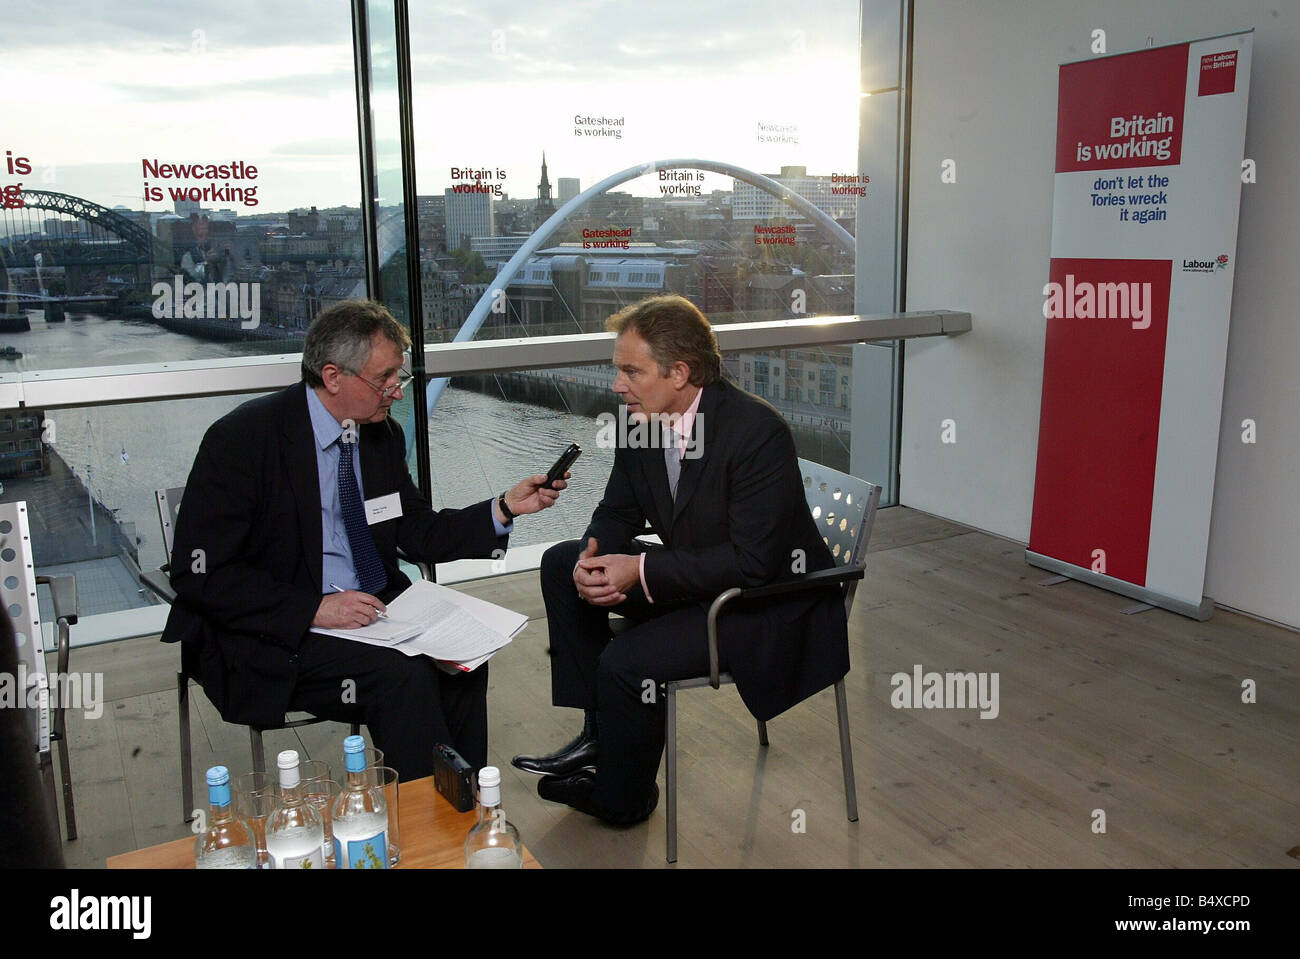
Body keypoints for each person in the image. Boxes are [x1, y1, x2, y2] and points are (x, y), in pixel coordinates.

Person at [161, 298, 564, 780]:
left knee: (463, 659)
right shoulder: (243, 440)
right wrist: (313, 608)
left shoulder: (380, 437)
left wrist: (503, 508)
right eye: (385, 378)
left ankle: (462, 805)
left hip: (375, 610)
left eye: (400, 376)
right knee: (403, 676)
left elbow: (417, 531)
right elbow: (199, 573)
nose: (397, 391)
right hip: (276, 628)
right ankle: (434, 825)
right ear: (333, 377)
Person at [512, 294, 847, 824]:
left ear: (680, 373)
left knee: (626, 663)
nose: (617, 385)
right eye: (616, 369)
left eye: (630, 371)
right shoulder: (641, 418)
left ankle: (624, 801)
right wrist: (597, 555)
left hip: (763, 603)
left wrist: (640, 570)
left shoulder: (756, 432)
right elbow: (617, 510)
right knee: (561, 562)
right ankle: (601, 734)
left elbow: (754, 563)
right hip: (699, 580)